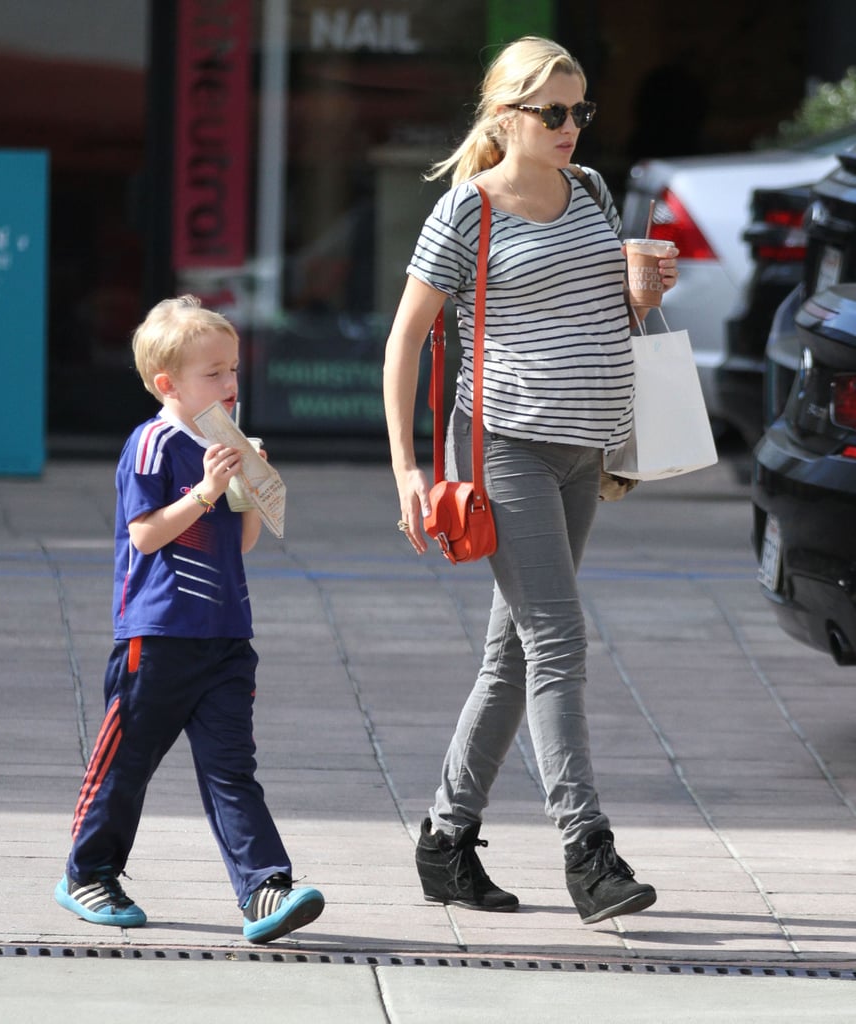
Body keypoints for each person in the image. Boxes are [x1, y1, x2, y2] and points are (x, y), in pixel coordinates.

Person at [383, 36, 678, 924]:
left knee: (512, 655)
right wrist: (405, 468)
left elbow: (606, 313)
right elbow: (403, 343)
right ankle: (587, 850)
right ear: (505, 114)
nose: (569, 127)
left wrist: (643, 291)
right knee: (558, 643)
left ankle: (444, 838)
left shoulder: (590, 193)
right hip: (502, 444)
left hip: (582, 450)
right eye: (551, 111)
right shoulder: (465, 213)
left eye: (579, 111)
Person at [54, 295, 325, 944]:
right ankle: (87, 871)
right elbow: (145, 536)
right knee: (126, 764)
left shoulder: (223, 445)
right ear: (168, 385)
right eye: (214, 373)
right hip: (158, 637)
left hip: (227, 639)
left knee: (232, 769)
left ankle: (264, 887)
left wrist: (251, 490)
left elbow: (245, 542)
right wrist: (203, 492)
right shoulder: (153, 445)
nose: (231, 384)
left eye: (233, 370)